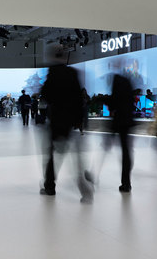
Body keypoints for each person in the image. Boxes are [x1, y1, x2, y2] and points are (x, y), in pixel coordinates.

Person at [39, 45, 92, 202]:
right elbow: (78, 98)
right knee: (76, 159)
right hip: (70, 121)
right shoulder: (72, 73)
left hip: (56, 120)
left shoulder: (52, 73)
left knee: (50, 155)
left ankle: (50, 187)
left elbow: (46, 95)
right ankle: (85, 190)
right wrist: (78, 120)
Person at [109, 68, 135, 192]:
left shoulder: (117, 82)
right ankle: (126, 183)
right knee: (126, 152)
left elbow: (114, 102)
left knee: (122, 151)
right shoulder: (128, 85)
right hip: (127, 122)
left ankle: (126, 183)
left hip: (119, 121)